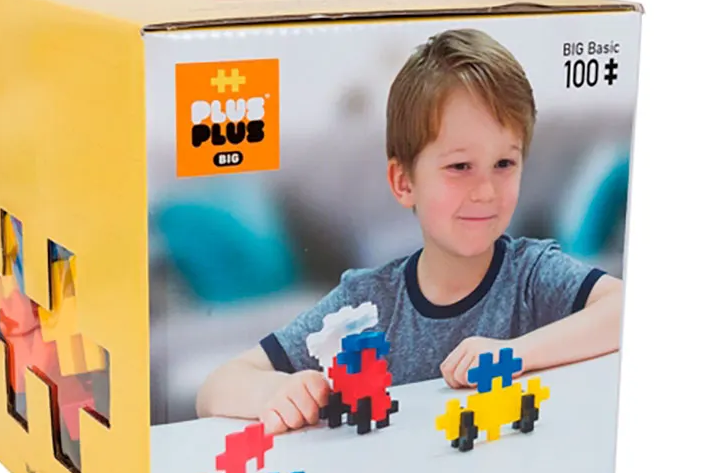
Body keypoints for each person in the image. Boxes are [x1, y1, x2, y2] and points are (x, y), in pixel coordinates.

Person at [196, 28, 623, 434]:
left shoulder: (530, 274)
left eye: (504, 164)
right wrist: (273, 392)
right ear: (404, 183)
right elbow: (216, 388)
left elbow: (623, 309)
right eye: (460, 166)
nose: (486, 191)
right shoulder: (365, 304)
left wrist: (516, 354)